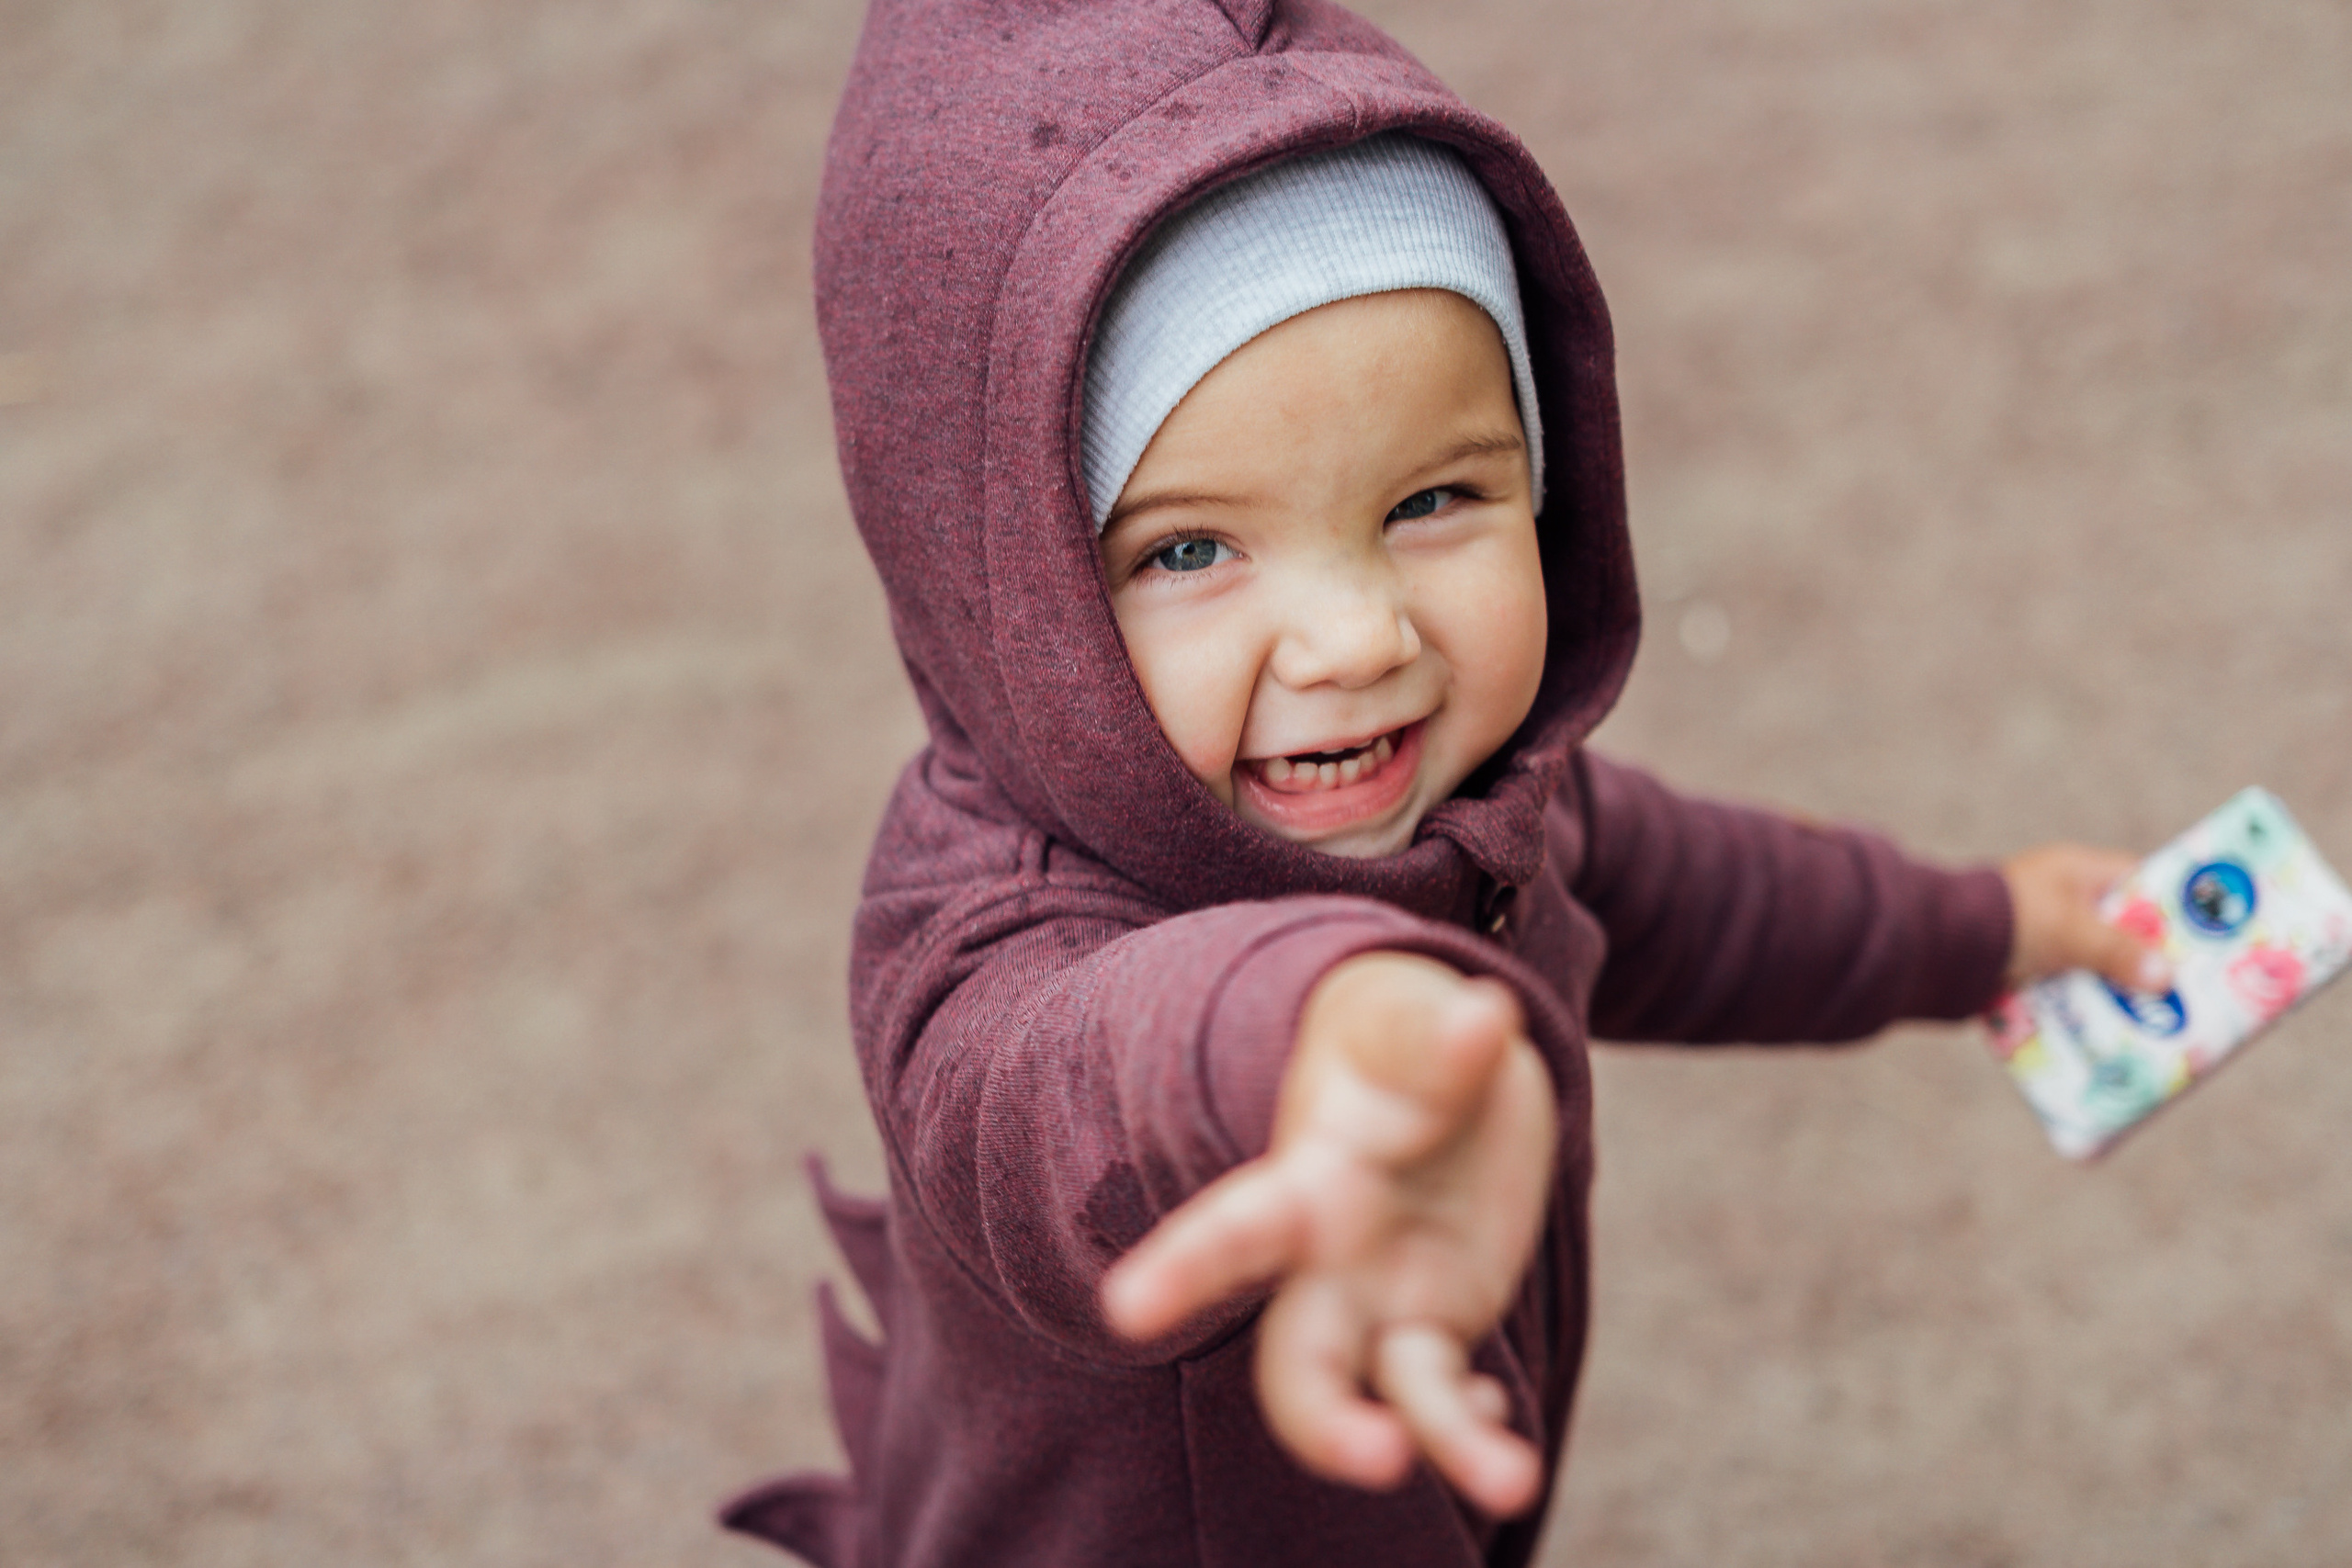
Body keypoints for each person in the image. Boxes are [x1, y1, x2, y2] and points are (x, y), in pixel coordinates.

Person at [720, 3, 2166, 1563]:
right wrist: (1325, 1027)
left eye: (1431, 499)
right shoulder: (980, 952)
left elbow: (1698, 895)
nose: (1356, 639)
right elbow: (1067, 1092)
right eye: (1191, 549)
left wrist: (1985, 929)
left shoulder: (1467, 801)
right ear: (999, 589)